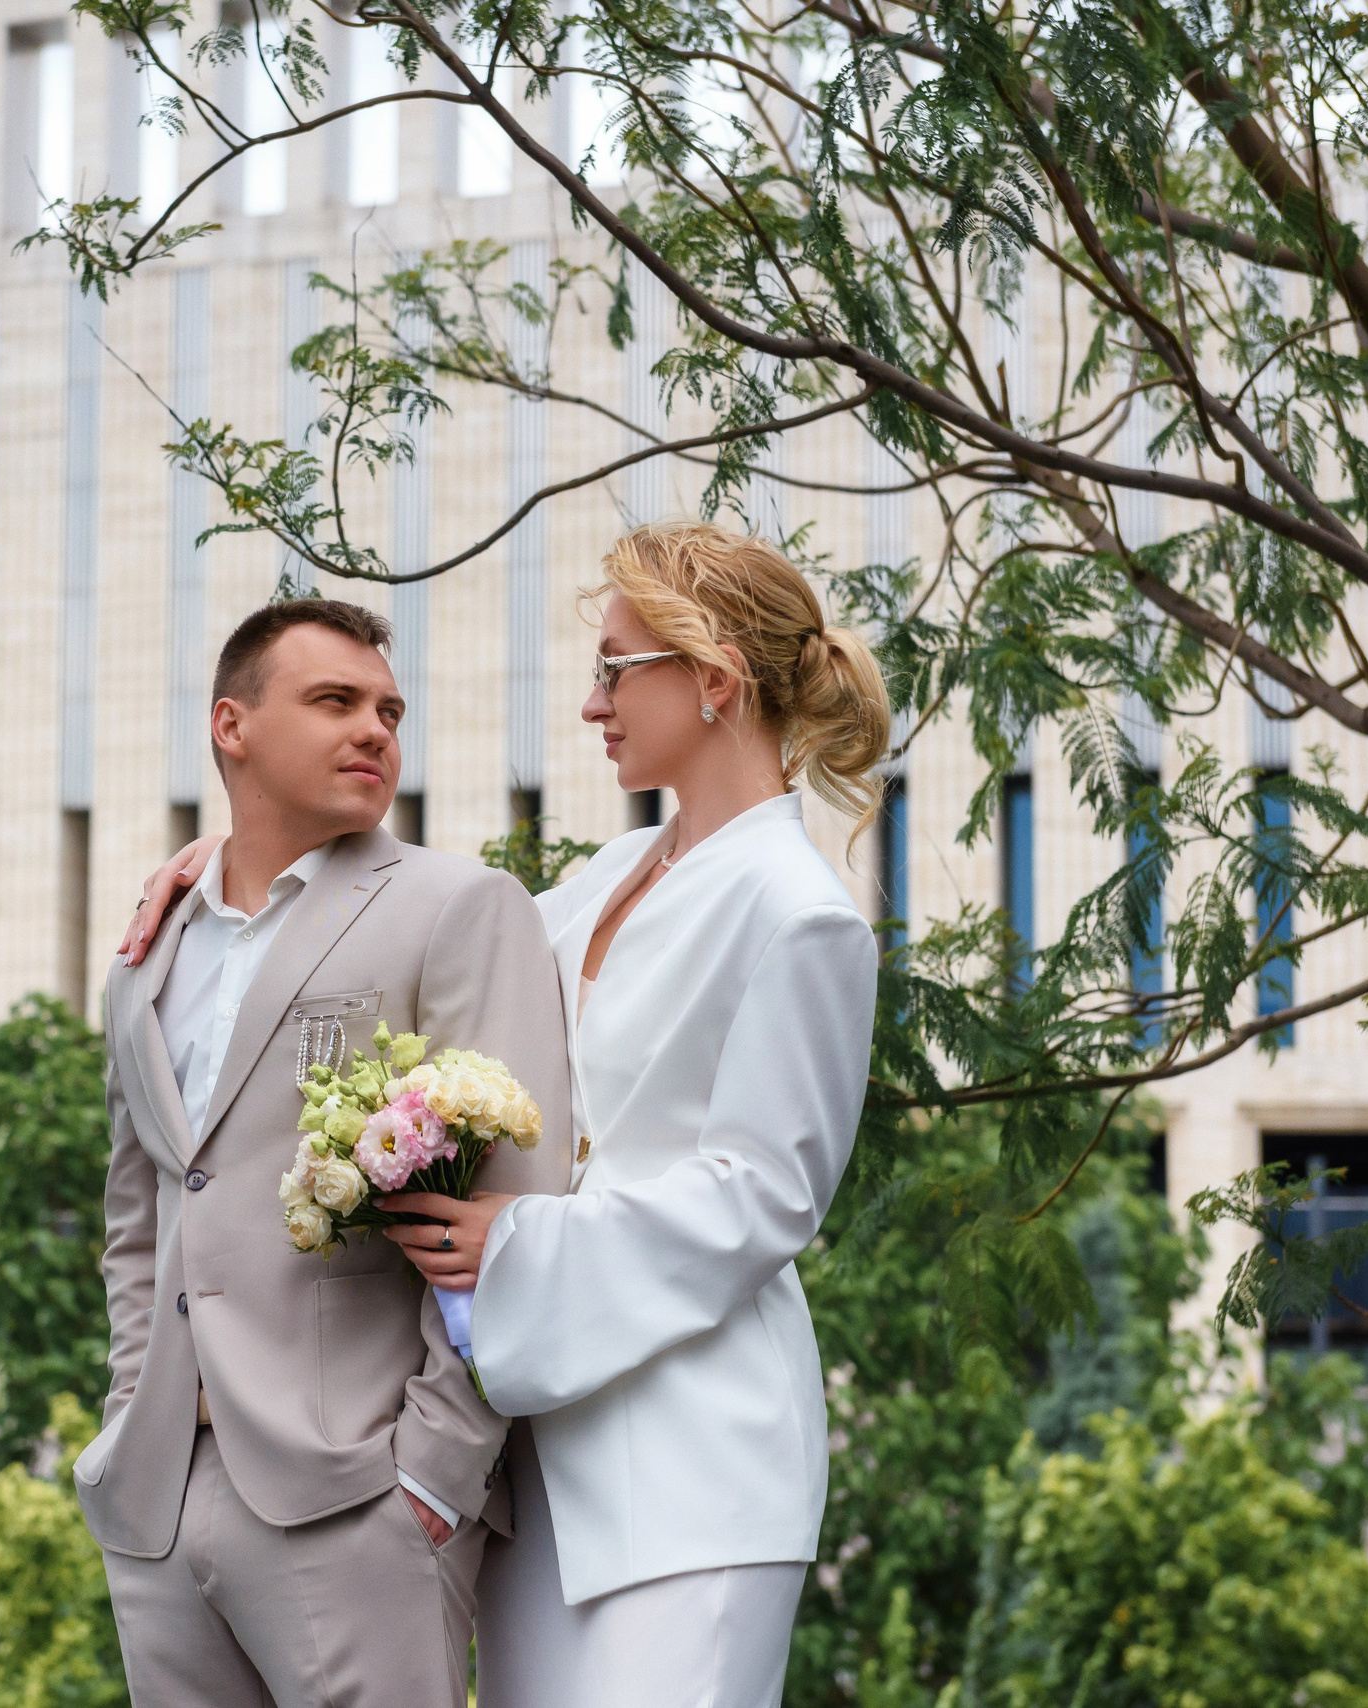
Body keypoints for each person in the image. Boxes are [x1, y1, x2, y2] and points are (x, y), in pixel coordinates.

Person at [119, 523, 887, 1706]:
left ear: (714, 678)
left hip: (692, 1461)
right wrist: (224, 867)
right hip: (537, 1465)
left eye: (615, 668)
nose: (591, 704)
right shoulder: (605, 879)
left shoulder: (802, 914)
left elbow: (767, 1195)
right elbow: (391, 924)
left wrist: (517, 1243)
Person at [76, 596, 573, 1708]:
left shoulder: (460, 908)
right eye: (334, 701)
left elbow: (517, 1210)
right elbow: (141, 1218)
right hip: (159, 1496)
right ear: (231, 725)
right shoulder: (146, 954)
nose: (375, 730)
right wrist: (124, 1423)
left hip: (360, 1497)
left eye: (388, 709)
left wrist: (432, 1475)